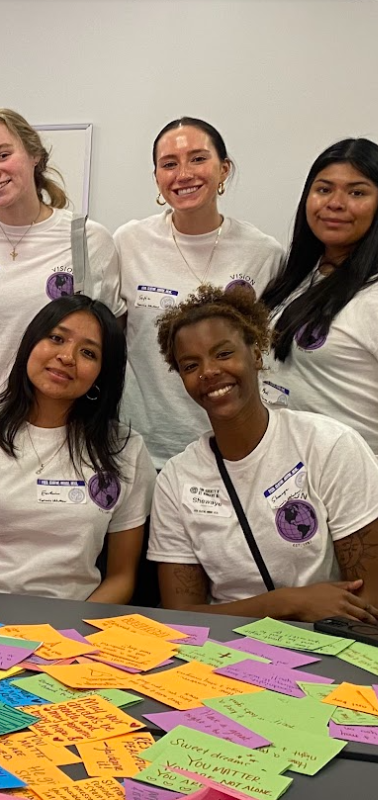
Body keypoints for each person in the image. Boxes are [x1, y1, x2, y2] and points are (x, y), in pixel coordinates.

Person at [148, 286, 378, 620]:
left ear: (255, 354)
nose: (209, 371)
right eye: (190, 364)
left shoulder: (329, 446)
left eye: (223, 354)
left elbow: (369, 602)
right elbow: (181, 616)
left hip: (329, 642)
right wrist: (285, 603)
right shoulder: (176, 479)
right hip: (223, 652)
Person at [0, 295, 153, 601]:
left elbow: (121, 578)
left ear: (101, 375)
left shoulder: (125, 450)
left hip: (70, 630)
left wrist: (68, 636)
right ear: (31, 344)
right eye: (56, 338)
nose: (67, 357)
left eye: (88, 353)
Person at [117, 117, 284, 470]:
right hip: (145, 447)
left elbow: (268, 354)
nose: (184, 174)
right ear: (157, 178)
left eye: (197, 159)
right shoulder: (129, 243)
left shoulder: (262, 252)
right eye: (169, 164)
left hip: (236, 444)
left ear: (223, 169)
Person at [0, 108, 121, 421]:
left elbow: (109, 344)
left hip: (60, 425)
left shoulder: (88, 239)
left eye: (2, 155)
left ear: (34, 155)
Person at [261, 138, 378, 451]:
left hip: (356, 485)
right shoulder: (295, 275)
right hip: (288, 474)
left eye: (357, 192)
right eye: (324, 189)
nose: (336, 203)